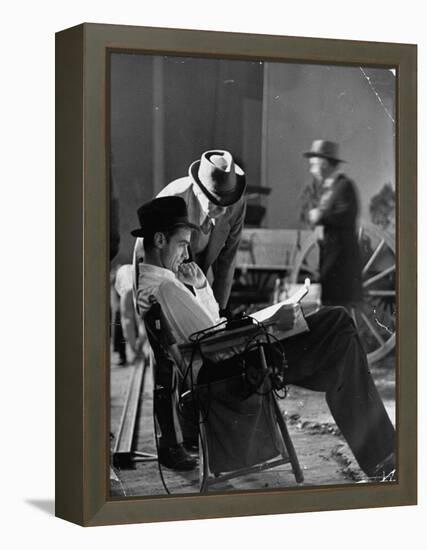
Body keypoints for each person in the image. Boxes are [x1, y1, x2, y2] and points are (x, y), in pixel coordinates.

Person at [133, 196, 396, 481]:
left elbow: (210, 331)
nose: (186, 254)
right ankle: (384, 458)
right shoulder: (167, 288)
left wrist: (200, 288)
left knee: (341, 351)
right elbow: (212, 341)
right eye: (182, 244)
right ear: (160, 240)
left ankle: (383, 459)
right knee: (339, 323)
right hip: (235, 368)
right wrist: (262, 325)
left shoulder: (157, 284)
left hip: (233, 360)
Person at [134, 149, 246, 313]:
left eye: (226, 204)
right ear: (198, 189)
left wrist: (220, 311)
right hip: (167, 277)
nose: (222, 211)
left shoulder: (236, 203)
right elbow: (145, 254)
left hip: (199, 277)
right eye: (214, 202)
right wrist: (146, 313)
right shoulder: (173, 199)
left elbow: (227, 260)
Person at [302, 140, 363, 309]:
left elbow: (346, 214)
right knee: (332, 307)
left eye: (314, 164)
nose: (311, 170)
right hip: (332, 261)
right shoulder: (331, 189)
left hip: (341, 263)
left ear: (325, 164)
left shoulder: (344, 186)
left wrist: (321, 215)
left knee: (338, 308)